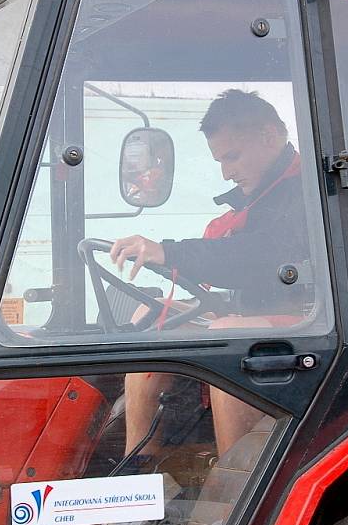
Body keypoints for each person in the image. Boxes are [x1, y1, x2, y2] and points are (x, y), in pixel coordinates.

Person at [109, 89, 309, 460]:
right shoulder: (261, 199)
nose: (226, 172)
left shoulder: (308, 194)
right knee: (153, 312)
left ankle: (236, 488)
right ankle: (139, 464)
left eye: (232, 157)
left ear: (269, 136)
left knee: (226, 336)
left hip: (312, 322)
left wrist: (168, 251)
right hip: (260, 312)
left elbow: (259, 257)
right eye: (220, 160)